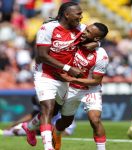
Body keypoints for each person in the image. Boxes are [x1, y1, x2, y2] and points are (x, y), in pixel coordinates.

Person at [22, 2, 99, 150]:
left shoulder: (81, 29)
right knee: (47, 108)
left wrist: (97, 44)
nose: (81, 17)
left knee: (54, 111)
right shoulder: (47, 28)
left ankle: (29, 127)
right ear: (67, 14)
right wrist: (68, 68)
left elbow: (95, 36)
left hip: (63, 78)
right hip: (45, 73)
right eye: (78, 14)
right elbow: (42, 56)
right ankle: (48, 147)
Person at [52, 22, 109, 150]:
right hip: (71, 89)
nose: (84, 32)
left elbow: (96, 81)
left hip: (91, 90)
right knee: (65, 122)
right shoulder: (77, 37)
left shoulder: (101, 56)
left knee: (95, 120)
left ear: (96, 38)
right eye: (86, 29)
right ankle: (56, 133)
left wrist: (71, 78)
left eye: (88, 32)